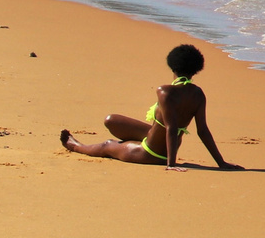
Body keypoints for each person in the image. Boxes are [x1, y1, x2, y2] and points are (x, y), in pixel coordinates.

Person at [60, 44, 242, 171]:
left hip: (152, 153)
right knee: (111, 120)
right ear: (196, 70)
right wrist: (221, 162)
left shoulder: (166, 92)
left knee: (108, 145)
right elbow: (203, 131)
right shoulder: (198, 94)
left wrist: (171, 164)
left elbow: (171, 128)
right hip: (160, 140)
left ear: (172, 66)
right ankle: (136, 141)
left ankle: (75, 146)